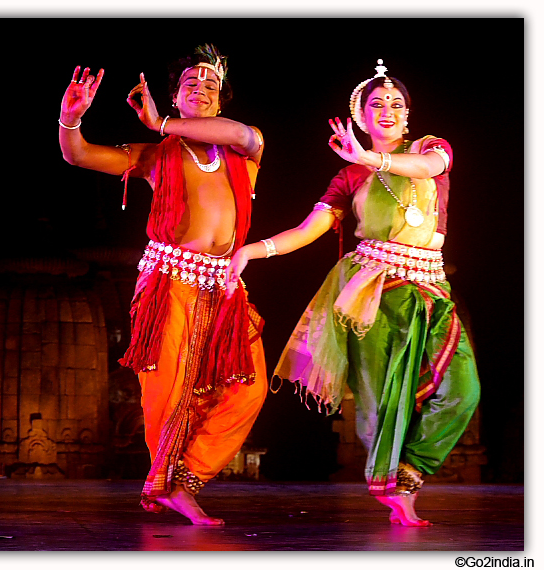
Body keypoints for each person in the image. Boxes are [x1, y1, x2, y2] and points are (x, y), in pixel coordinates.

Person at [225, 60, 481, 527]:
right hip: (372, 294)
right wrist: (252, 251)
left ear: (408, 115)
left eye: (397, 104)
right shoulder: (348, 179)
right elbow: (310, 228)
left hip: (430, 287)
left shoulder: (428, 147)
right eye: (376, 104)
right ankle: (397, 487)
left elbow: (428, 167)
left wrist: (368, 157)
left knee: (463, 391)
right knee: (379, 401)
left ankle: (411, 467)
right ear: (361, 118)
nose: (388, 110)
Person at [59, 44, 267, 525]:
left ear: (221, 99)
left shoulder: (244, 144)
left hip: (226, 289)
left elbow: (239, 132)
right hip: (169, 280)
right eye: (190, 82)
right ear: (174, 96)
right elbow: (81, 156)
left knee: (248, 386)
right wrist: (70, 120)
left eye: (211, 83)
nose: (202, 86)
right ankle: (169, 484)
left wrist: (161, 123)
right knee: (169, 389)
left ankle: (183, 476)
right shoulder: (154, 155)